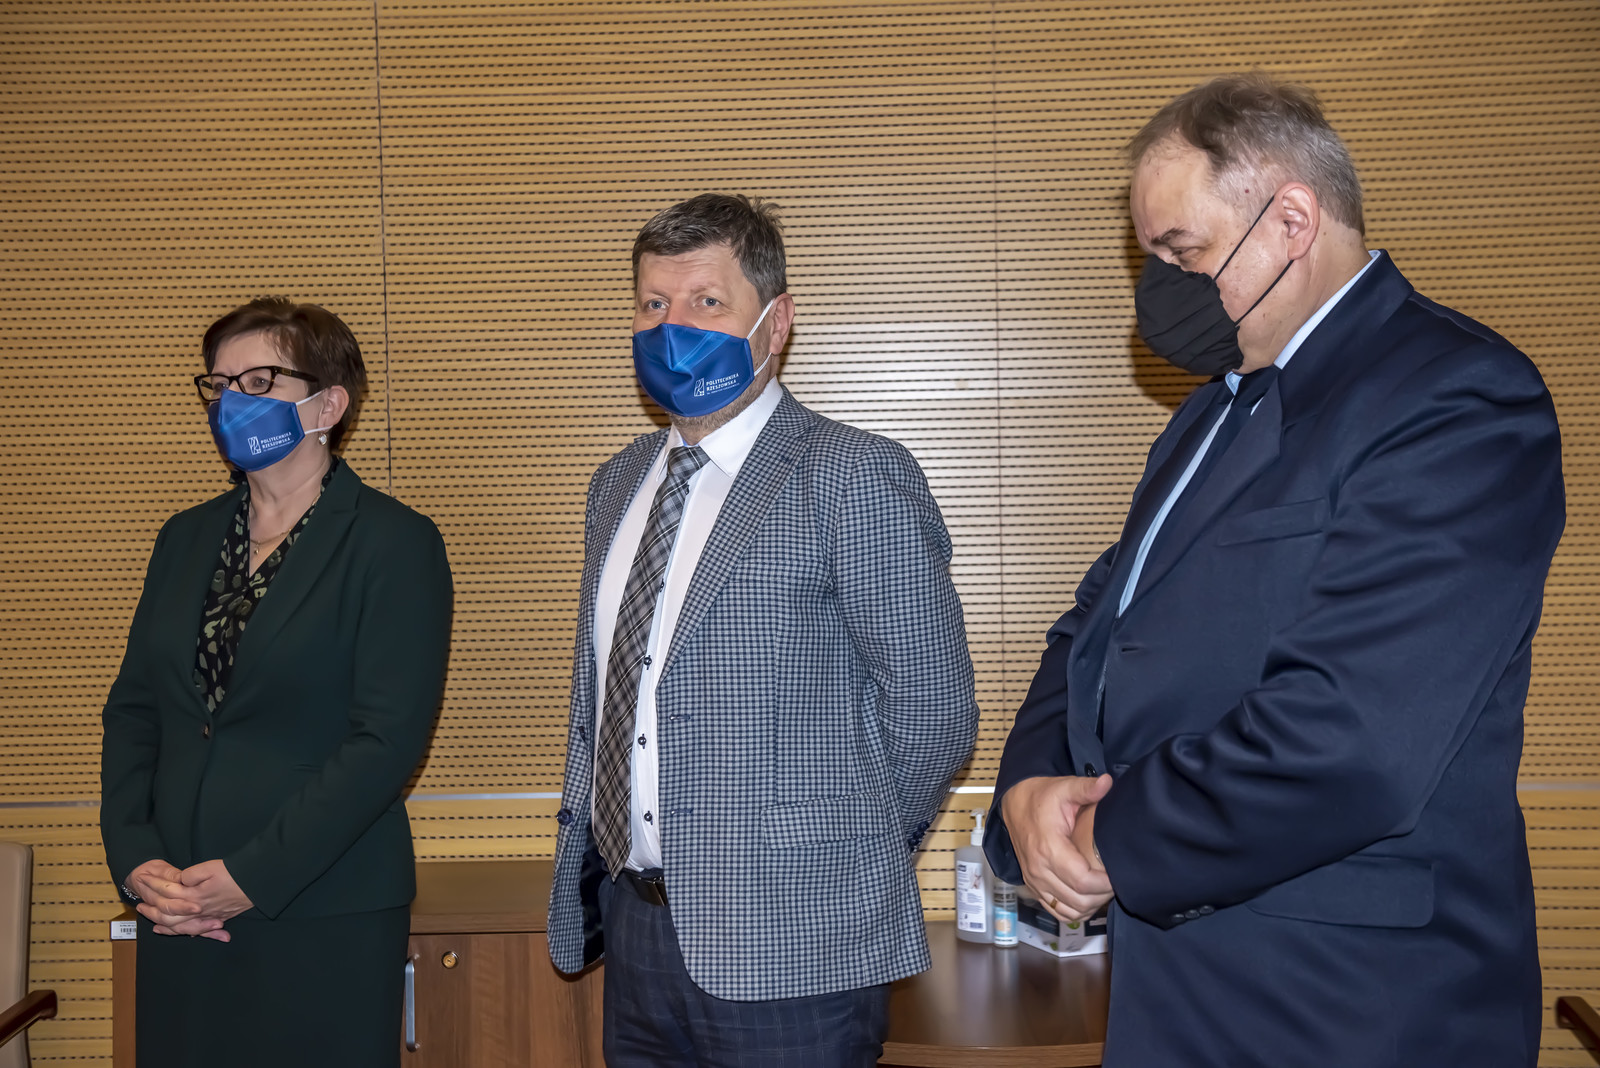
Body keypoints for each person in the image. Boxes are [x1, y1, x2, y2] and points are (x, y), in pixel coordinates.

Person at [986, 73, 1564, 1067]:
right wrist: (1030, 792)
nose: (1162, 288)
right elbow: (1097, 626)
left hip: (1349, 1008)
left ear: (1291, 221)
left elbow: (1354, 737)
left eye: (1184, 252)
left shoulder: (1455, 396)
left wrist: (1108, 841)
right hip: (1181, 995)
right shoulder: (1207, 415)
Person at [547, 192, 978, 1066]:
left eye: (706, 301)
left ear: (774, 323)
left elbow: (934, 711)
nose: (673, 327)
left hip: (799, 939)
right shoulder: (615, 484)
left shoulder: (851, 475)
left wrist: (844, 857)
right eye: (653, 303)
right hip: (637, 932)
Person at [99, 297, 453, 1067]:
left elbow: (386, 740)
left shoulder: (394, 543)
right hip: (179, 905)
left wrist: (250, 876)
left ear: (328, 405)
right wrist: (137, 861)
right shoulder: (184, 537)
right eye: (219, 384)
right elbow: (134, 712)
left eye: (258, 381)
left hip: (320, 906)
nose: (232, 401)